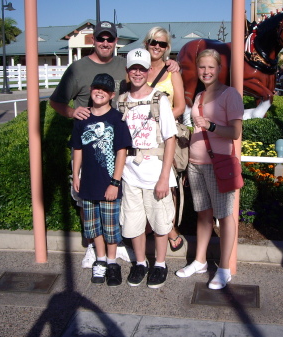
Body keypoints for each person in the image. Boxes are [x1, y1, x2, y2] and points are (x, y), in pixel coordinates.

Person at [49, 21, 179, 268]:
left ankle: (116, 248)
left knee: (114, 204)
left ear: (115, 42)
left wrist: (172, 63)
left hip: (121, 154)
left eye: (110, 39)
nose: (105, 43)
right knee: (87, 199)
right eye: (101, 39)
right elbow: (56, 102)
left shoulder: (124, 63)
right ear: (94, 41)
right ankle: (93, 247)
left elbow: (149, 67)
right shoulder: (77, 69)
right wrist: (72, 113)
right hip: (90, 146)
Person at [175, 49, 243, 290]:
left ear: (219, 69)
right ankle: (200, 261)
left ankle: (224, 268)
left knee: (224, 216)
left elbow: (234, 132)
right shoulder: (201, 96)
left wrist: (211, 125)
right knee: (203, 214)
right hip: (196, 164)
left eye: (211, 67)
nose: (206, 71)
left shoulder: (230, 95)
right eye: (202, 67)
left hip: (219, 164)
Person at [119, 48, 177, 289]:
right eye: (133, 68)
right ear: (127, 71)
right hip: (129, 174)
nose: (137, 73)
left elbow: (170, 139)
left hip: (155, 174)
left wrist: (164, 177)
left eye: (142, 68)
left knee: (161, 222)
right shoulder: (122, 100)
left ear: (149, 70)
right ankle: (140, 262)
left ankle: (160, 264)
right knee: (134, 222)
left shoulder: (159, 99)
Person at [71, 73, 132, 285]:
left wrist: (115, 182)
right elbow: (77, 148)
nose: (100, 92)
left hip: (109, 185)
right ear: (91, 90)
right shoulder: (82, 118)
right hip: (87, 183)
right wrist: (76, 174)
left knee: (110, 226)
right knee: (93, 226)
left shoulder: (116, 119)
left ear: (112, 95)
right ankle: (101, 260)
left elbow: (121, 152)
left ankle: (113, 262)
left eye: (105, 90)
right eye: (97, 88)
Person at [143, 27, 185, 252]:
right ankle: (162, 229)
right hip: (140, 136)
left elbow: (180, 106)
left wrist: (161, 120)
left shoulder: (172, 72)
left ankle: (169, 228)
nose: (157, 47)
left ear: (167, 48)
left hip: (164, 135)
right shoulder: (136, 68)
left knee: (166, 182)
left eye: (162, 44)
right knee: (143, 182)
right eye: (153, 42)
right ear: (146, 43)